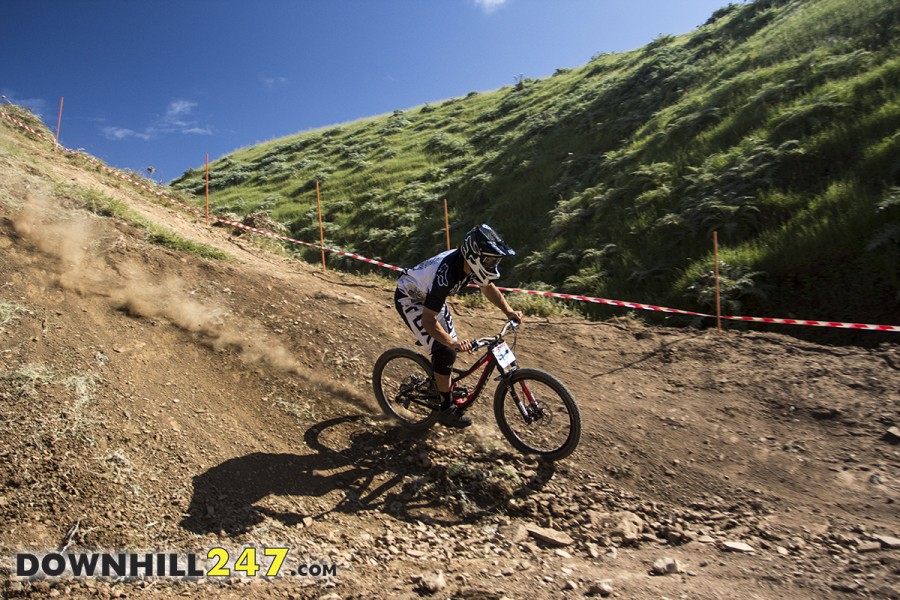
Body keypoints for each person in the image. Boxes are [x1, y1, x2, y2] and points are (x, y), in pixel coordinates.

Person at [394, 224, 524, 428]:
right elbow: (429, 321)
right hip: (411, 299)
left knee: (447, 351)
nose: (492, 264)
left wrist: (508, 311)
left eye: (495, 260)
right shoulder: (446, 276)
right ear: (474, 256)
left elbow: (488, 287)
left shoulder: (471, 265)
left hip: (432, 298)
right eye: (490, 260)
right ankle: (445, 409)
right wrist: (452, 343)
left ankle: (437, 385)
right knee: (446, 350)